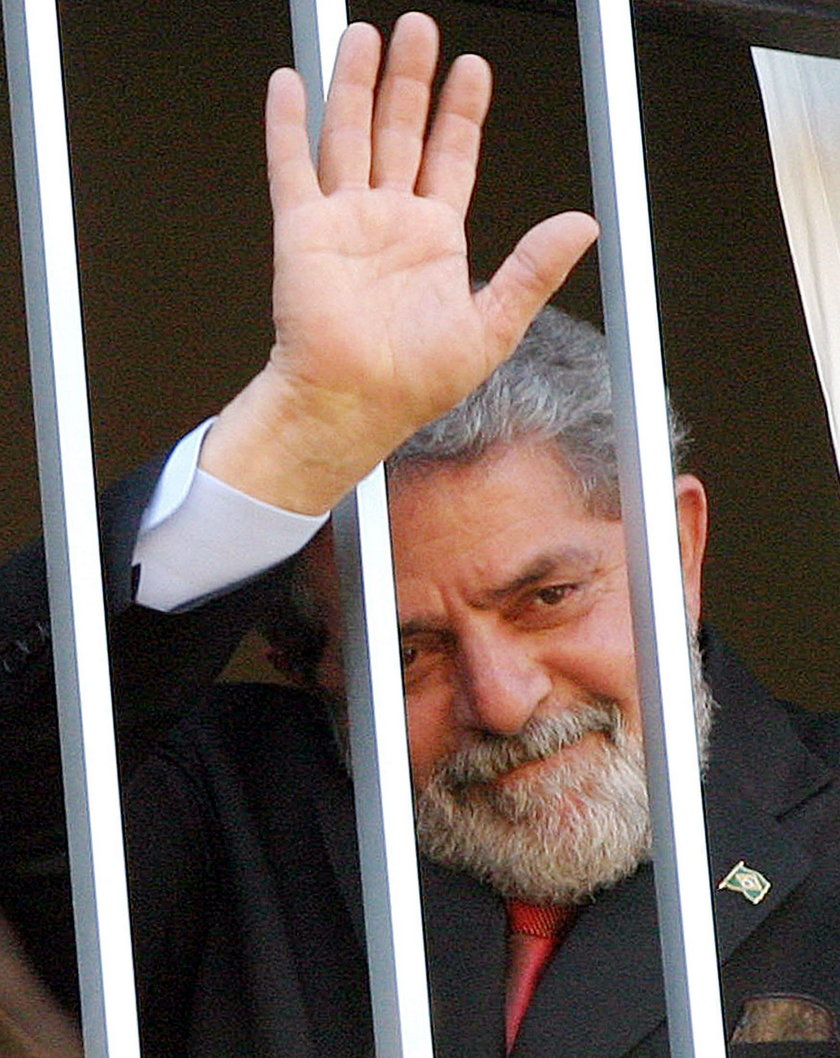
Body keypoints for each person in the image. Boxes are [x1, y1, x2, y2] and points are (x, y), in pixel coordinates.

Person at [2, 11, 839, 1056]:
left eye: (547, 596)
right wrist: (288, 447)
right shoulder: (220, 819)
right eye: (408, 651)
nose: (501, 695)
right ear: (307, 668)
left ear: (677, 545)